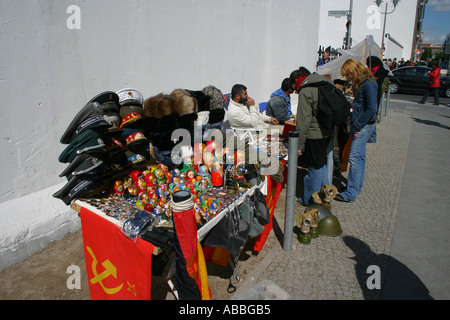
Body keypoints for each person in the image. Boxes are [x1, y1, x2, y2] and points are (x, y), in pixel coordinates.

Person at [334, 59, 378, 203]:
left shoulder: (369, 84)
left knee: (354, 158)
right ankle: (356, 187)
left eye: (348, 75)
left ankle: (351, 192)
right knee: (359, 157)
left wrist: (357, 124)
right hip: (362, 124)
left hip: (363, 125)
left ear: (353, 71)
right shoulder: (364, 82)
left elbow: (372, 109)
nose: (347, 78)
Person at [291, 67, 334, 206]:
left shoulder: (306, 89)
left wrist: (298, 144)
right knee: (320, 165)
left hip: (314, 134)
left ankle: (311, 200)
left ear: (298, 80)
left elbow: (303, 121)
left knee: (314, 169)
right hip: (327, 131)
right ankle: (326, 194)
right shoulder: (324, 82)